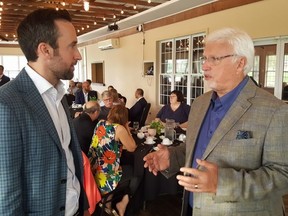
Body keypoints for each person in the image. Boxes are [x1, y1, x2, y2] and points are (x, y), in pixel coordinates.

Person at [143, 27, 288, 216]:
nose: (204, 66)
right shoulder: (200, 104)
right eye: (204, 58)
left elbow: (282, 175)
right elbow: (198, 149)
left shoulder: (275, 110)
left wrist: (221, 183)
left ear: (240, 63)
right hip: (192, 209)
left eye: (214, 59)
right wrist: (172, 157)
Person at [0, 8, 89, 216]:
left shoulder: (58, 93)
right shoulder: (6, 104)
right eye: (72, 46)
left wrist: (82, 205)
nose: (78, 56)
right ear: (45, 50)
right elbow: (7, 195)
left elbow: (68, 158)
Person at [88, 104, 137, 216]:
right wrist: (127, 129)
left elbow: (107, 142)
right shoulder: (119, 129)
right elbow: (132, 147)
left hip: (93, 171)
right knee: (136, 172)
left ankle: (107, 203)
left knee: (121, 167)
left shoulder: (100, 123)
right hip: (105, 176)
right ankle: (124, 201)